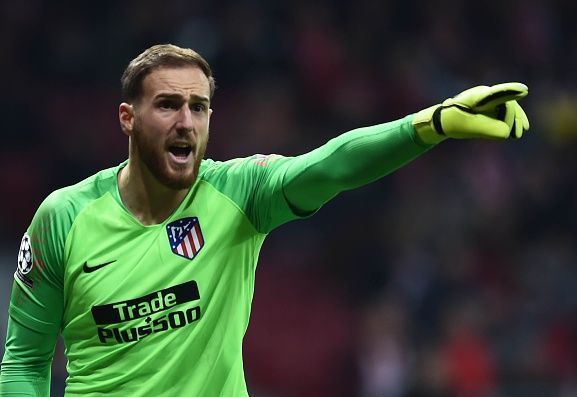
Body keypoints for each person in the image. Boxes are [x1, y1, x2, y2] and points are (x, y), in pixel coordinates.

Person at [0, 44, 529, 396]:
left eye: (199, 107)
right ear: (128, 119)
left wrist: (428, 125)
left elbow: (329, 166)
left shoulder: (239, 193)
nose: (186, 121)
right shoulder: (63, 217)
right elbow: (25, 360)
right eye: (166, 105)